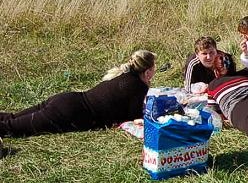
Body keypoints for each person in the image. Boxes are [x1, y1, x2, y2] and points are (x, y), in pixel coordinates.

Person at [0, 50, 156, 138]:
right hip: (70, 114)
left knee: (11, 118)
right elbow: (137, 117)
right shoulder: (137, 87)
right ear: (148, 72)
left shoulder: (123, 75)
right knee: (10, 128)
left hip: (66, 100)